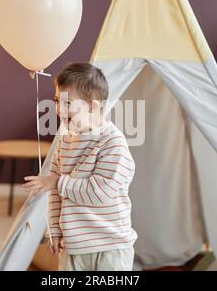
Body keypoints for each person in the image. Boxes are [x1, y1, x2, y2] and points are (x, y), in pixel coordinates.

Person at [23, 63, 137, 271]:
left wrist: (56, 182)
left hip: (109, 248)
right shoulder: (65, 142)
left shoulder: (113, 143)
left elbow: (98, 193)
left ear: (92, 106)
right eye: (58, 101)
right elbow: (55, 193)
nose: (58, 109)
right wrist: (55, 230)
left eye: (67, 103)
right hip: (73, 248)